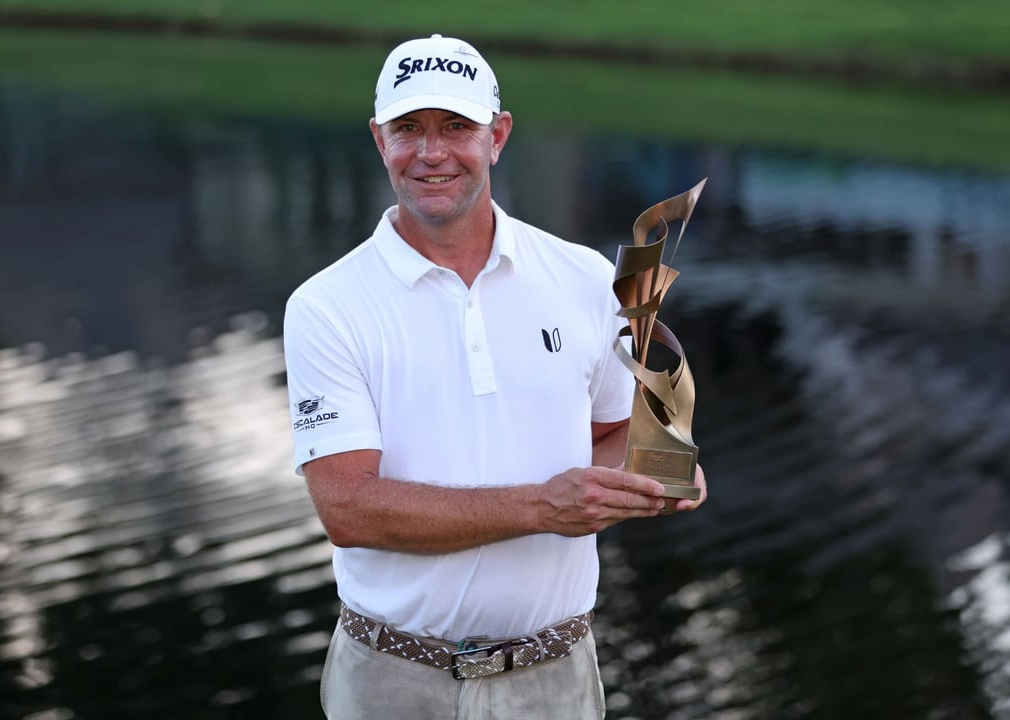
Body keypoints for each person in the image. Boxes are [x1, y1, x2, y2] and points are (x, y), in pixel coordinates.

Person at [283, 33, 707, 720]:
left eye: (456, 127)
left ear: (498, 135)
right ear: (377, 138)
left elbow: (614, 433)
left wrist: (653, 470)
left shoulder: (586, 277)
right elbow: (348, 509)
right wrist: (543, 507)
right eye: (408, 129)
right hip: (393, 680)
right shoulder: (327, 306)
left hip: (556, 675)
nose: (432, 153)